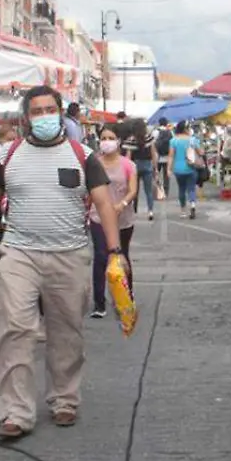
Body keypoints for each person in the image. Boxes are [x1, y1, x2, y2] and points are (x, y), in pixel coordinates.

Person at [0, 85, 126, 440]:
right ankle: (15, 411)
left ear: (60, 112)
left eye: (48, 109)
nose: (43, 116)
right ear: (26, 117)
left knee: (67, 331)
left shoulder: (82, 155)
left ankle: (64, 399)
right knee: (14, 330)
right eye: (36, 111)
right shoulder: (8, 155)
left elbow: (103, 204)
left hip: (69, 255)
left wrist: (115, 253)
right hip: (18, 254)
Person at [90, 125, 137, 318]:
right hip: (97, 216)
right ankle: (99, 303)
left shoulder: (128, 165)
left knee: (121, 255)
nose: (107, 141)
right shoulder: (93, 163)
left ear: (118, 141)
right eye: (103, 138)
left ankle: (126, 298)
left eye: (111, 137)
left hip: (123, 218)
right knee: (101, 256)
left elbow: (132, 189)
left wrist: (122, 204)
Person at [168, 121, 203, 219]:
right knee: (191, 188)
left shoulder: (173, 141)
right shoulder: (193, 140)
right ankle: (192, 205)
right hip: (191, 167)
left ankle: (183, 211)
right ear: (185, 129)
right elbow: (200, 152)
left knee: (181, 189)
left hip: (178, 169)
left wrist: (168, 169)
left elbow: (171, 156)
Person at [124, 118, 156, 220]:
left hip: (135, 166)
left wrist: (126, 170)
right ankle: (150, 212)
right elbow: (153, 153)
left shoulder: (131, 140)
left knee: (134, 191)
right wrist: (155, 167)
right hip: (147, 165)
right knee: (149, 191)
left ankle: (134, 211)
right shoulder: (149, 138)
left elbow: (128, 157)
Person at [154, 117, 173, 196]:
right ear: (166, 123)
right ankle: (166, 192)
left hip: (157, 157)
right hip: (167, 157)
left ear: (159, 123)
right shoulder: (170, 132)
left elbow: (153, 145)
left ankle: (157, 191)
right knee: (166, 176)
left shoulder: (155, 132)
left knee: (156, 174)